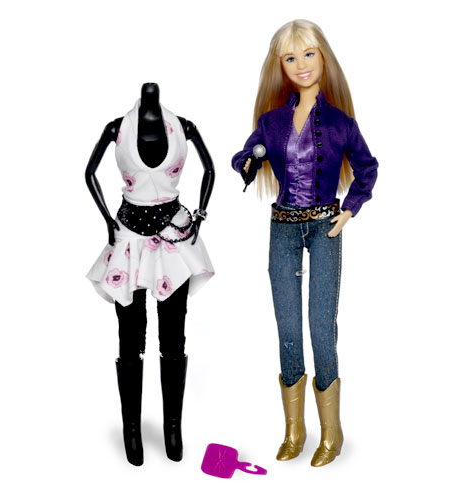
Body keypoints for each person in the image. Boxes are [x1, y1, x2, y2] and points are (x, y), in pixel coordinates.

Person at [232, 20, 378, 467]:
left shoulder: (340, 123)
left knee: (321, 325)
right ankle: (294, 431)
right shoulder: (271, 121)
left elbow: (367, 167)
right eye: (291, 57)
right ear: (280, 66)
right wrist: (249, 162)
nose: (301, 65)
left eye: (309, 54)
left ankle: (331, 433)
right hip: (282, 228)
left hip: (324, 228)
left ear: (324, 58)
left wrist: (349, 209)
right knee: (288, 327)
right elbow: (243, 154)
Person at [86, 83, 215, 466]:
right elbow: (88, 173)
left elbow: (210, 169)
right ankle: (132, 430)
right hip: (128, 236)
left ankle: (173, 428)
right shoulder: (117, 128)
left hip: (174, 237)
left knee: (174, 334)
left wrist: (201, 214)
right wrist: (106, 219)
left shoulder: (184, 127)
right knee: (130, 337)